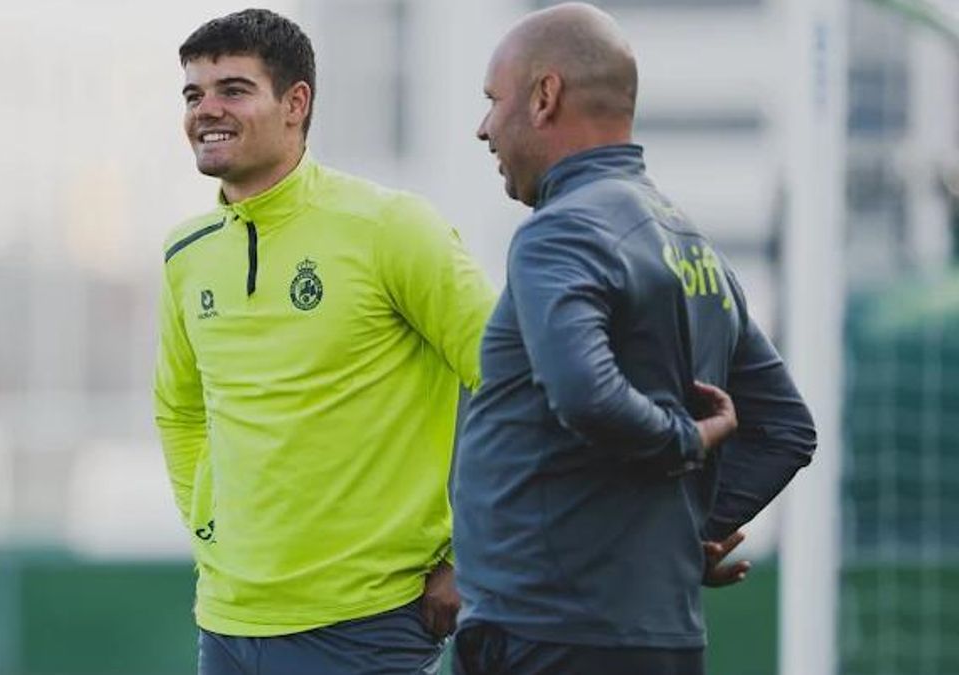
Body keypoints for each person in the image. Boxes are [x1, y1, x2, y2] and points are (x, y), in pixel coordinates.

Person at [451, 4, 818, 674]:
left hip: (549, 634)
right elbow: (786, 427)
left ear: (544, 97)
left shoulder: (560, 232)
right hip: (661, 635)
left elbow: (586, 393)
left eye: (491, 101)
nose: (483, 127)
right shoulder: (690, 241)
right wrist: (691, 531)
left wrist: (686, 440)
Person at [153, 8, 496, 675]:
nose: (206, 110)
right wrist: (210, 531)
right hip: (226, 623)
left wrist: (472, 552)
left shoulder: (392, 227)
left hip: (366, 623)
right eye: (193, 94)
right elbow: (180, 408)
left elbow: (514, 381)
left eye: (233, 89)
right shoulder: (185, 254)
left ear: (295, 102)